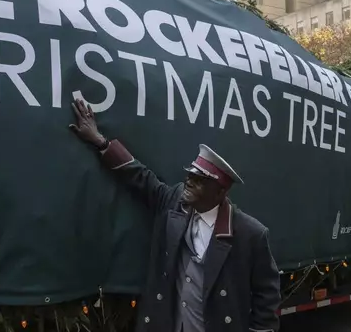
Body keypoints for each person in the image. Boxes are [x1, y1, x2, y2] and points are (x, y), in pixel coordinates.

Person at [69, 98, 281, 332]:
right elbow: (140, 177)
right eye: (190, 175)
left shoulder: (250, 234)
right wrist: (100, 142)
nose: (189, 182)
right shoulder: (174, 202)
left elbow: (267, 298)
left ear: (220, 191)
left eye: (199, 180)